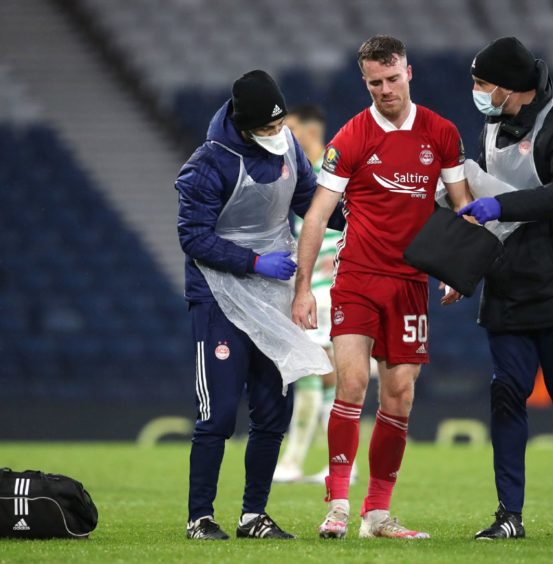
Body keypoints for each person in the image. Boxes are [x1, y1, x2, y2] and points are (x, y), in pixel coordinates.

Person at [292, 35, 471, 540]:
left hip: (411, 283)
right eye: (375, 82)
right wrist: (304, 288)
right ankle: (337, 506)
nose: (386, 90)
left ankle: (377, 515)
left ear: (408, 73)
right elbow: (318, 215)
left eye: (393, 79)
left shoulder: (441, 132)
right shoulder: (351, 137)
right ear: (364, 80)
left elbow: (463, 207)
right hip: (358, 278)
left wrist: (460, 270)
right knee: (350, 384)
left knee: (399, 398)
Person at [175, 70, 344, 540]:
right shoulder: (209, 163)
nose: (277, 134)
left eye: (279, 124)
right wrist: (253, 261)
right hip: (219, 296)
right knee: (220, 414)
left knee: (273, 412)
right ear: (244, 124)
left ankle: (254, 515)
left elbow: (313, 201)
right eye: (266, 129)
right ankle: (200, 517)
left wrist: (359, 214)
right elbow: (192, 237)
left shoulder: (289, 145)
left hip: (273, 296)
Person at [456, 37, 553, 540]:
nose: (476, 92)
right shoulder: (493, 122)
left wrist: (502, 206)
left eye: (482, 83)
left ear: (508, 87)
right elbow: (484, 204)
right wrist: (464, 269)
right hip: (507, 282)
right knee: (506, 395)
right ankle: (509, 516)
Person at [274, 105, 358, 485]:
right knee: (319, 379)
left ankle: (303, 464)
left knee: (320, 377)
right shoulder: (297, 177)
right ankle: (333, 464)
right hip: (311, 293)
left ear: (310, 131)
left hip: (329, 295)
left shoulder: (335, 174)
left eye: (290, 129)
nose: (283, 136)